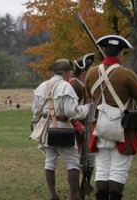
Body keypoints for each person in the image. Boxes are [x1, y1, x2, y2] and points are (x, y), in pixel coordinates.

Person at [84, 35, 137, 200]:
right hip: (122, 128)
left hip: (99, 127)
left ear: (105, 52)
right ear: (120, 54)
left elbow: (88, 97)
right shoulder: (127, 74)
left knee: (102, 169)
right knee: (118, 170)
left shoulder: (91, 73)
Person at [32, 59, 89, 200]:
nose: (71, 74)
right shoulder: (66, 87)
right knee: (73, 163)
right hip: (62, 128)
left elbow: (35, 110)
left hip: (45, 130)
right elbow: (71, 112)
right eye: (70, 71)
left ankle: (53, 195)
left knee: (49, 161)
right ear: (66, 72)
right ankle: (73, 196)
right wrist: (86, 108)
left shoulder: (41, 86)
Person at [70, 53, 96, 191]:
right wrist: (76, 124)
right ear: (84, 71)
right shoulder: (74, 85)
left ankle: (86, 183)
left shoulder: (87, 85)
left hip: (88, 125)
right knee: (78, 158)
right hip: (78, 128)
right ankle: (79, 186)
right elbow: (69, 109)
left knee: (90, 156)